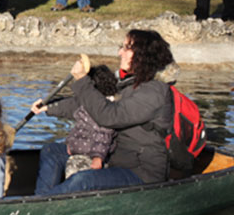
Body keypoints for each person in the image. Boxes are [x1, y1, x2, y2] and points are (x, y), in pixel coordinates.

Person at [31, 29, 175, 195]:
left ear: (143, 55)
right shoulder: (126, 84)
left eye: (126, 48)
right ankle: (40, 201)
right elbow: (88, 105)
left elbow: (109, 116)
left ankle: (38, 207)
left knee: (83, 181)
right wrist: (49, 106)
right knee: (51, 151)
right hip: (114, 157)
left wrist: (83, 81)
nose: (120, 52)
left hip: (140, 172)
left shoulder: (154, 92)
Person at [44, 64, 118, 180]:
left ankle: (57, 194)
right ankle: (45, 195)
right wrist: (47, 107)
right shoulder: (85, 105)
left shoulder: (105, 109)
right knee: (49, 149)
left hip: (90, 156)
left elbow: (103, 135)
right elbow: (74, 121)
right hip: (77, 150)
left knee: (74, 172)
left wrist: (97, 157)